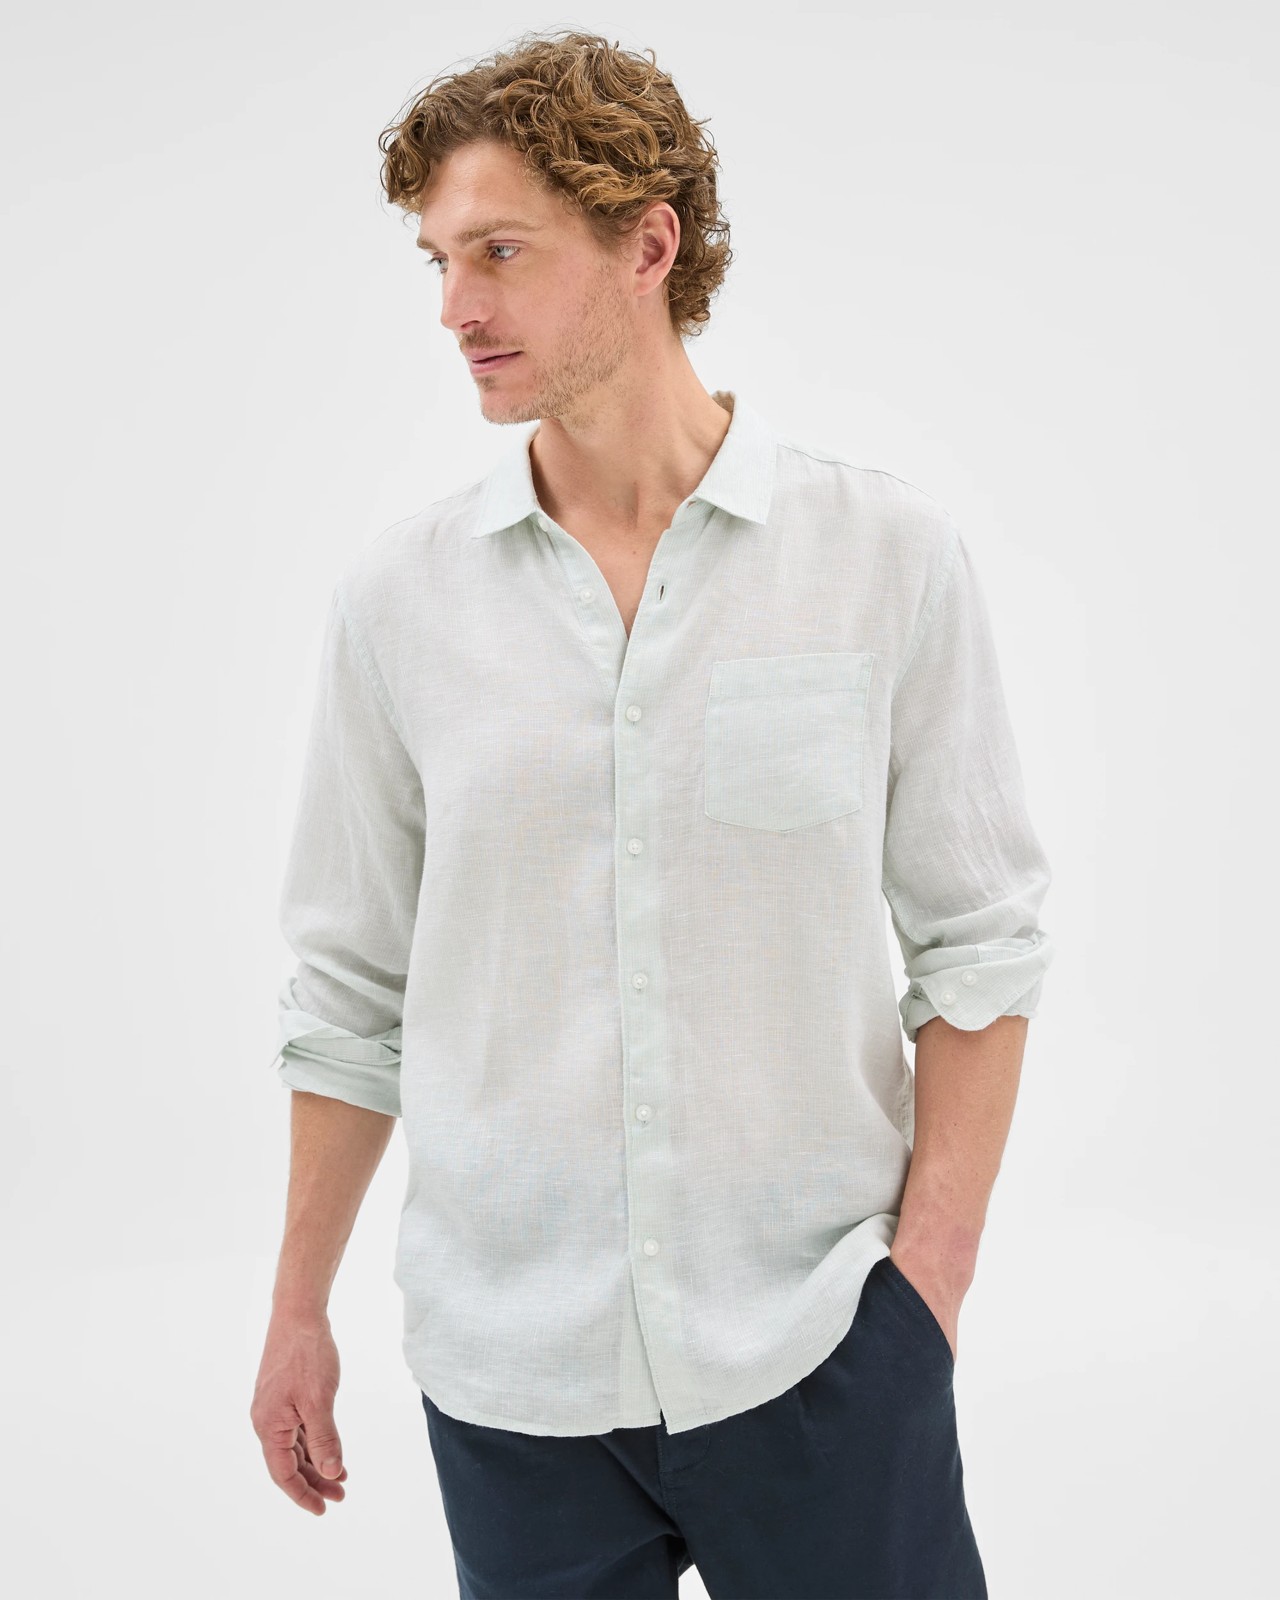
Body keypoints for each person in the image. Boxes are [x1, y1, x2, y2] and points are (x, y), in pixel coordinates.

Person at [250, 27, 1055, 1600]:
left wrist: (927, 1291)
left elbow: (980, 942)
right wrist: (296, 1311)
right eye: (437, 260)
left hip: (821, 1351)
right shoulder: (399, 605)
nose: (455, 307)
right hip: (511, 1379)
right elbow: (348, 992)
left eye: (500, 251)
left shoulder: (881, 559)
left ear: (648, 245)